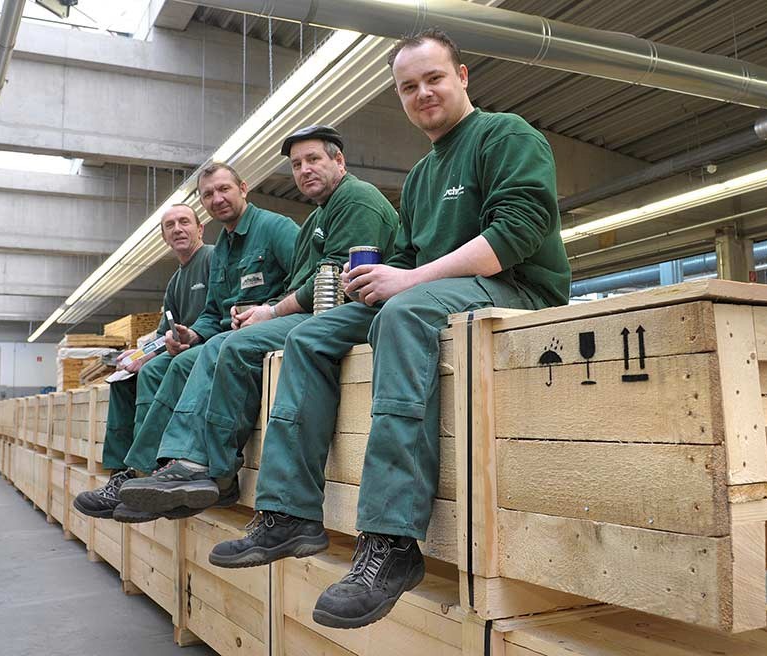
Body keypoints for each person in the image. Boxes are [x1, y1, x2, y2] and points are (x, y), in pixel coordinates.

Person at [209, 28, 571, 630]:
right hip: (439, 291)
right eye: (408, 86)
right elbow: (406, 256)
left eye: (434, 78)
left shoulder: (504, 135)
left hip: (517, 287)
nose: (422, 93)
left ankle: (391, 540)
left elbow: (518, 232)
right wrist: (377, 279)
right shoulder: (425, 172)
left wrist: (409, 282)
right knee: (309, 335)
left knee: (404, 312)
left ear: (462, 77)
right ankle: (291, 513)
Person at [117, 126, 399, 522]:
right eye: (296, 165)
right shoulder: (316, 217)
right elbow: (290, 286)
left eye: (313, 159)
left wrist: (270, 311)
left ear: (339, 160)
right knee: (200, 353)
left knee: (229, 347)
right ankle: (163, 469)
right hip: (301, 315)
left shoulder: (352, 201)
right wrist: (220, 324)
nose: (304, 170)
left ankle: (208, 470)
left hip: (342, 314)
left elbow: (332, 280)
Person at [74, 163, 298, 521]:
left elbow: (305, 281)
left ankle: (160, 470)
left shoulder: (275, 228)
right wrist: (192, 334)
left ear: (243, 188)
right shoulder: (221, 250)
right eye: (208, 194)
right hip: (222, 337)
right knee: (157, 369)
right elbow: (212, 312)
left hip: (261, 333)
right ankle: (148, 476)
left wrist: (270, 310)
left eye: (224, 189)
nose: (217, 198)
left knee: (187, 362)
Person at [72, 204, 212, 519]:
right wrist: (135, 355)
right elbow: (163, 332)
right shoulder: (175, 281)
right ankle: (120, 472)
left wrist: (153, 355)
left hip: (204, 345)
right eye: (170, 225)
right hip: (177, 349)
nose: (178, 229)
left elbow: (216, 313)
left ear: (200, 228)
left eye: (184, 222)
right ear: (164, 237)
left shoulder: (212, 260)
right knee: (123, 381)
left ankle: (145, 471)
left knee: (150, 372)